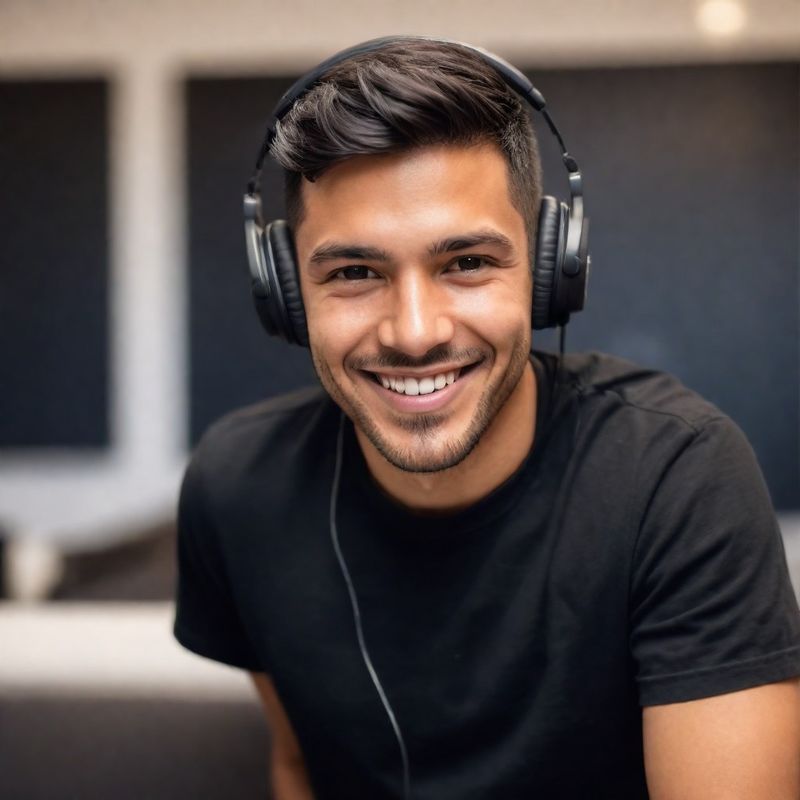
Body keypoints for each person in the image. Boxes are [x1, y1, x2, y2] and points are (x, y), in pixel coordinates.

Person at [173, 37, 800, 799]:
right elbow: (300, 765)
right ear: (286, 293)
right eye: (354, 273)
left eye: (466, 263)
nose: (414, 331)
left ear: (548, 272)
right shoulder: (237, 489)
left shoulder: (678, 479)